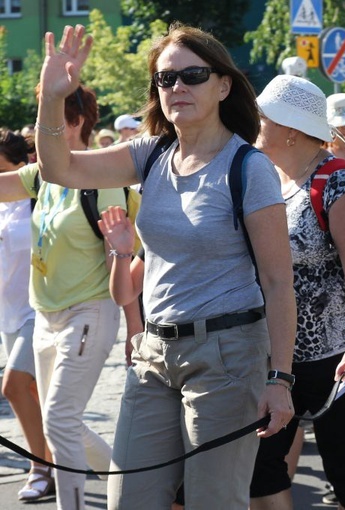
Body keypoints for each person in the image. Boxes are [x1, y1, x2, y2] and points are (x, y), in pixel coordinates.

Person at [34, 23, 296, 509]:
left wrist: (280, 379)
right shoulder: (151, 153)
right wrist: (52, 99)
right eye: (165, 79)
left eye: (192, 75)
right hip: (152, 354)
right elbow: (58, 169)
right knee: (128, 500)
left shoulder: (248, 167)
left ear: (223, 85)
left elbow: (280, 282)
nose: (177, 87)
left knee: (211, 502)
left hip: (228, 356)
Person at [249, 74, 345, 510]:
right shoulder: (270, 178)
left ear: (290, 131)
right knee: (260, 466)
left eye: (262, 118)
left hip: (338, 357)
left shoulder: (344, 185)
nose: (253, 124)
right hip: (282, 355)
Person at [0, 83, 140, 510]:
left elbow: (123, 260)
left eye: (50, 116)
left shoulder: (105, 180)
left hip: (89, 312)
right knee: (63, 422)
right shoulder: (41, 174)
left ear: (76, 122)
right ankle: (136, 488)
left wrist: (135, 329)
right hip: (45, 317)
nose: (38, 129)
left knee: (59, 419)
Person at [0, 129, 54, 502]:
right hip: (8, 313)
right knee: (36, 394)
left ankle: (39, 467)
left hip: (40, 309)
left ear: (24, 166)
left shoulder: (40, 199)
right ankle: (57, 460)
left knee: (13, 385)